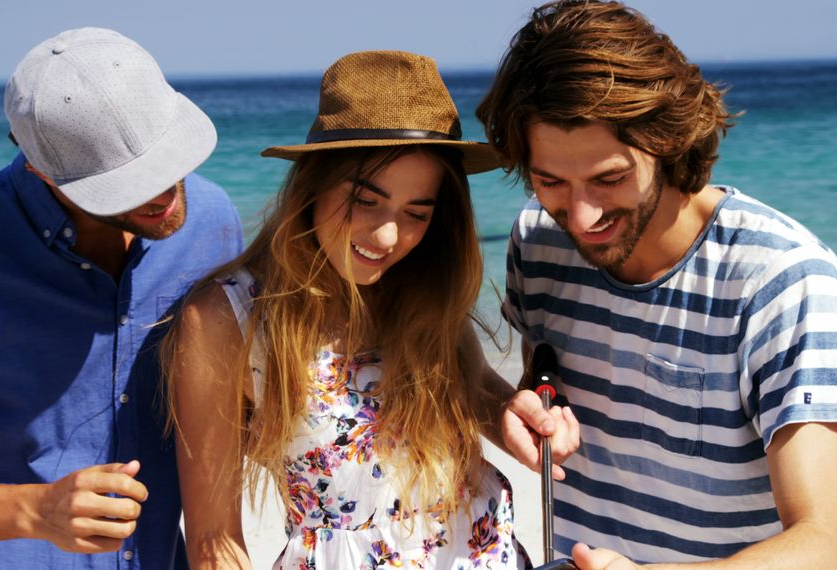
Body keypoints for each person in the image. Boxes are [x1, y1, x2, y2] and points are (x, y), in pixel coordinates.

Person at [476, 2, 837, 568]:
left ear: (668, 141)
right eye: (550, 181)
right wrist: (529, 405)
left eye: (608, 179)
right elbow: (545, 375)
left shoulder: (782, 278)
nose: (582, 216)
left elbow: (829, 546)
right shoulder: (538, 241)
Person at [162, 50, 580, 569]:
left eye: (416, 213)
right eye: (365, 200)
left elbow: (465, 386)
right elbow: (214, 543)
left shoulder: (419, 284)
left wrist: (509, 415)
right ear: (314, 183)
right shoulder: (228, 316)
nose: (388, 237)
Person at [0, 27, 242, 568]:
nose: (163, 192)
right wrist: (36, 510)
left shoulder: (212, 225)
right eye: (126, 180)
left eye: (167, 158)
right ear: (38, 166)